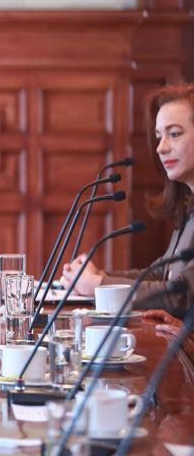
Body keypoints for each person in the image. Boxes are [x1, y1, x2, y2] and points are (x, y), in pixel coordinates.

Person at [62, 83, 194, 316]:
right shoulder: (188, 205)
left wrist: (98, 285)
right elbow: (161, 274)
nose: (161, 148)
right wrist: (101, 276)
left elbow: (182, 295)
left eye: (174, 134)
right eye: (159, 137)